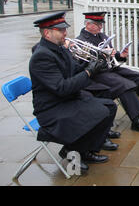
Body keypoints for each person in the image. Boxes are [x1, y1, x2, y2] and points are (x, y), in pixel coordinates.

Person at [29, 11, 117, 173]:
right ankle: (71, 150)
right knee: (99, 112)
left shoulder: (60, 48)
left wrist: (93, 64)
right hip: (51, 108)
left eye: (65, 29)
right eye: (61, 30)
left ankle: (86, 149)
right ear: (47, 33)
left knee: (110, 106)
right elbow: (62, 88)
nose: (65, 33)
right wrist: (88, 73)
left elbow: (74, 69)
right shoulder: (41, 56)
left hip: (67, 99)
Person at [76, 11, 139, 134]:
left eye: (101, 24)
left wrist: (121, 55)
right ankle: (136, 120)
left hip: (111, 68)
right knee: (124, 85)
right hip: (98, 74)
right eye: (98, 24)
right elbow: (83, 64)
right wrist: (101, 55)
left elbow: (112, 56)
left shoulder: (102, 36)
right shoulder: (81, 40)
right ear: (88, 24)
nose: (101, 27)